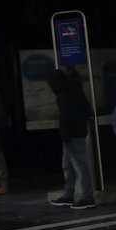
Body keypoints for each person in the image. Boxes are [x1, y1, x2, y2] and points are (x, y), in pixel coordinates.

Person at [46, 68, 95, 208]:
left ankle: (86, 196)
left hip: (71, 133)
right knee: (70, 164)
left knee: (78, 165)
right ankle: (69, 194)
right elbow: (86, 109)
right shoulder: (74, 89)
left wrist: (65, 134)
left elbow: (67, 117)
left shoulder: (64, 94)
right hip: (77, 131)